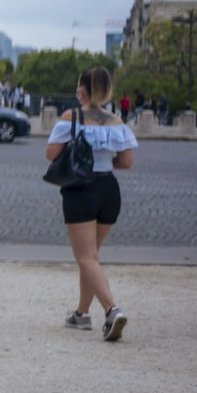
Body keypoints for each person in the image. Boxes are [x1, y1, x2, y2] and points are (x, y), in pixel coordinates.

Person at [47, 66, 138, 341]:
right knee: (92, 257)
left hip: (80, 190)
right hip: (109, 189)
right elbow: (126, 162)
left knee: (86, 258)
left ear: (82, 89)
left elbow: (51, 153)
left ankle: (112, 310)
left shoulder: (70, 117)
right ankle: (81, 313)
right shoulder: (116, 121)